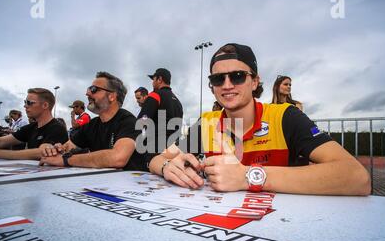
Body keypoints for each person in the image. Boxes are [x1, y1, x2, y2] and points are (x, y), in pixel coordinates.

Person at [149, 43, 370, 196]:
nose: (227, 85)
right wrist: (167, 166)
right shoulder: (208, 121)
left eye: (237, 76)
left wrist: (248, 177)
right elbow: (156, 157)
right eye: (218, 79)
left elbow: (357, 177)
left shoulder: (285, 116)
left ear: (255, 81)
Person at [40, 72, 145, 170]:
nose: (87, 93)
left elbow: (118, 158)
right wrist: (56, 150)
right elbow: (67, 147)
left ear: (111, 96)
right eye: (88, 89)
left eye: (93, 89)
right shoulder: (92, 125)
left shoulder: (129, 122)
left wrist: (66, 160)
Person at [0, 88, 69, 159]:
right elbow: (1, 141)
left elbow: (41, 152)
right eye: (25, 102)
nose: (25, 106)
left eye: (29, 103)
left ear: (45, 105)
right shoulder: (31, 127)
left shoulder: (57, 128)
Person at [137, 68, 183, 167]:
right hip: (174, 150)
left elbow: (141, 121)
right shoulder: (178, 102)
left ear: (159, 79)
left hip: (155, 150)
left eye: (153, 79)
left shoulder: (155, 95)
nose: (152, 82)